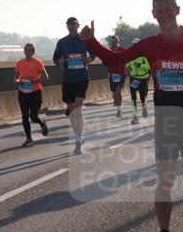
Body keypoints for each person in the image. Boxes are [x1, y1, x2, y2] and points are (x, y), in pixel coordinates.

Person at [80, 0, 183, 232]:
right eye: (159, 10)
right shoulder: (150, 44)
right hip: (167, 116)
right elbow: (116, 59)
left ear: (177, 10)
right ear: (153, 14)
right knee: (165, 176)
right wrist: (91, 42)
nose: (165, 14)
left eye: (168, 9)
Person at [53, 16, 95, 154]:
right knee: (72, 110)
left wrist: (89, 58)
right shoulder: (62, 42)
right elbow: (55, 58)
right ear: (67, 26)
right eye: (69, 24)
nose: (71, 26)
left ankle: (78, 141)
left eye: (73, 24)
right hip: (68, 79)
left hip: (82, 77)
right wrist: (59, 62)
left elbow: (94, 53)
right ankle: (79, 135)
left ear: (78, 26)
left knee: (77, 109)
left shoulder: (84, 39)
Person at [14, 42, 49, 147]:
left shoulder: (38, 62)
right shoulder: (19, 63)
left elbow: (46, 78)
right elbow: (16, 77)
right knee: (25, 117)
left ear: (33, 52)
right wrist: (17, 81)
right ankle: (29, 138)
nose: (28, 52)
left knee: (33, 116)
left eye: (30, 50)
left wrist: (35, 80)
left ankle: (42, 123)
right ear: (24, 51)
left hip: (35, 92)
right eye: (26, 50)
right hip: (23, 92)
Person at [126, 38, 151, 125]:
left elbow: (148, 67)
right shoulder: (130, 56)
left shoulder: (144, 56)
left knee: (142, 97)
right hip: (134, 79)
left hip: (143, 79)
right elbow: (127, 66)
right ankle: (135, 116)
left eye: (136, 44)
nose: (135, 46)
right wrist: (127, 69)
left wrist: (139, 65)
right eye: (133, 45)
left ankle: (144, 108)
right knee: (133, 98)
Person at [104, 35, 128, 118]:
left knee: (118, 91)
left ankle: (119, 110)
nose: (114, 42)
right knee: (114, 92)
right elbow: (105, 61)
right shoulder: (108, 50)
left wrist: (127, 67)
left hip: (122, 73)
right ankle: (116, 101)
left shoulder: (122, 50)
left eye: (115, 41)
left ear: (118, 41)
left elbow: (128, 59)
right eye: (112, 41)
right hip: (112, 74)